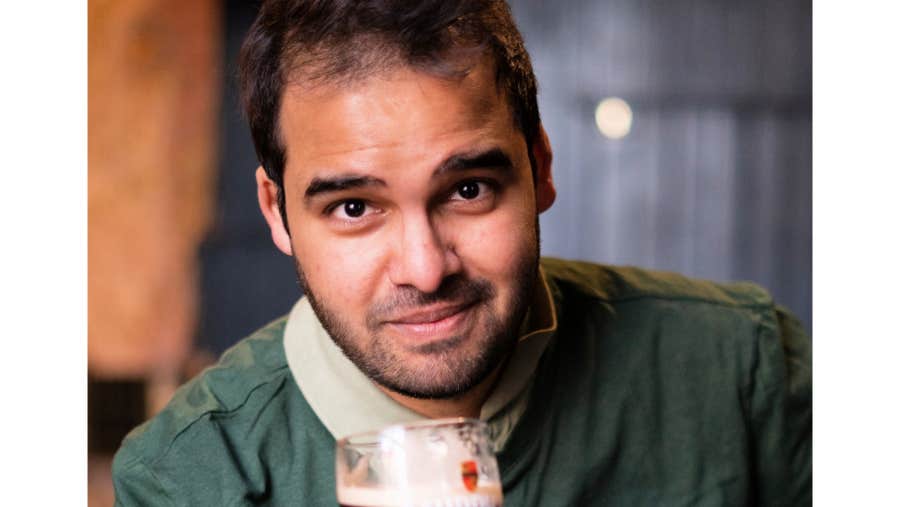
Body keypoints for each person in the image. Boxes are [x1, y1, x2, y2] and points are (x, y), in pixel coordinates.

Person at [112, 0, 812, 505]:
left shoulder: (745, 371)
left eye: (469, 188)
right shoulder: (190, 474)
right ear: (279, 212)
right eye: (354, 208)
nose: (425, 267)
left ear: (539, 168)